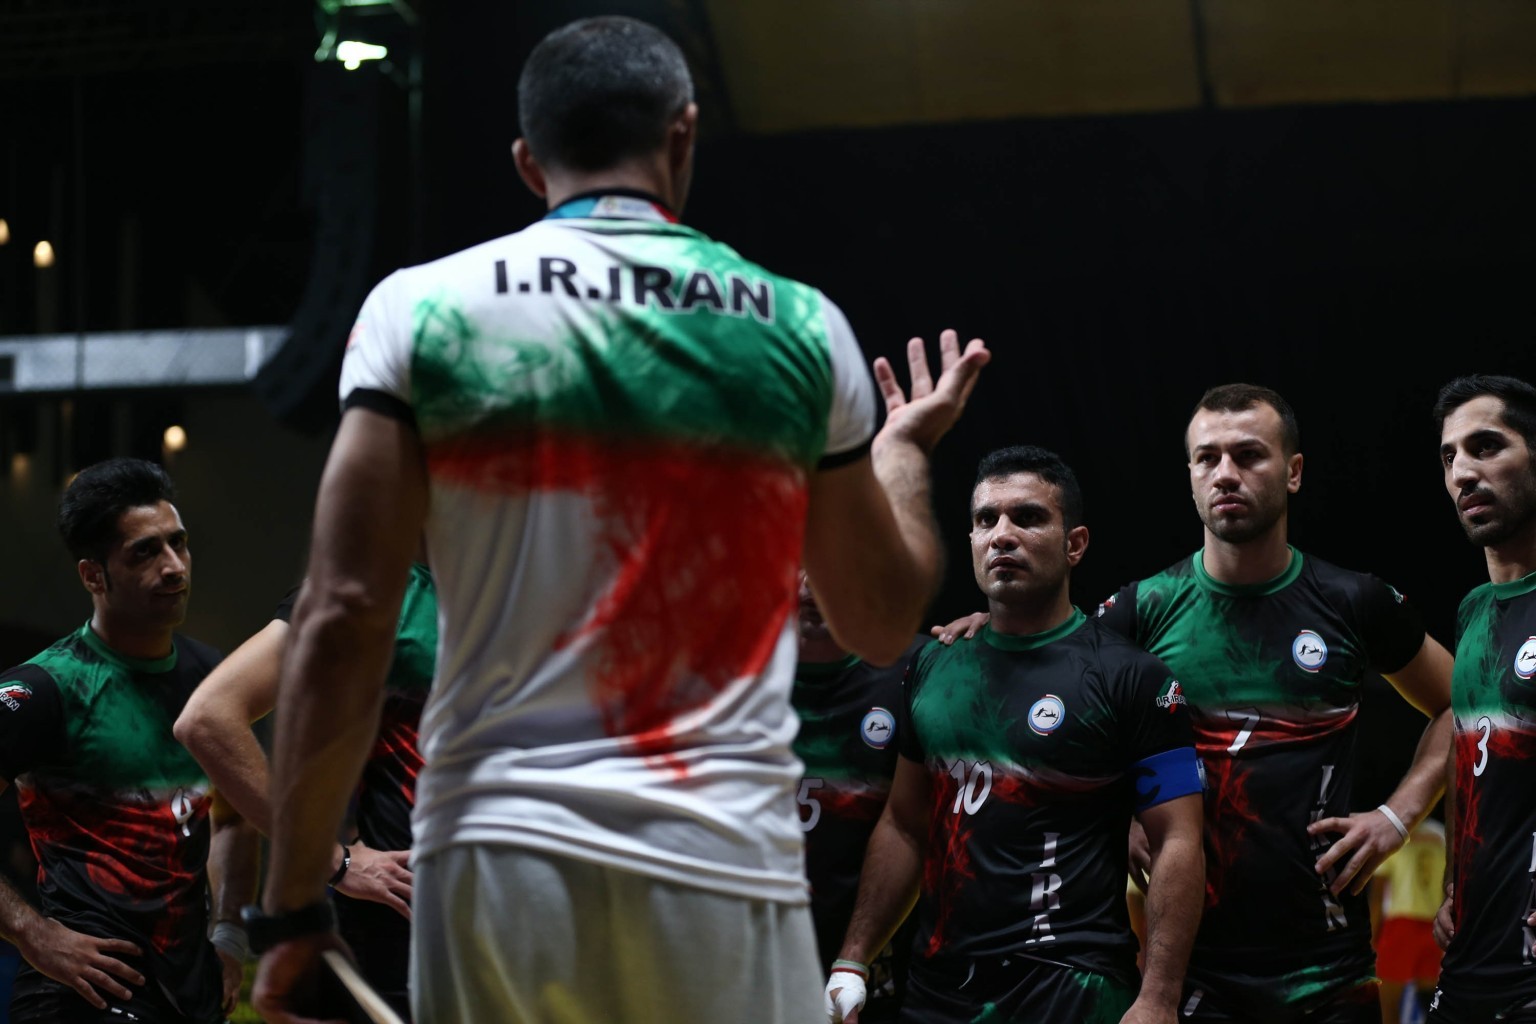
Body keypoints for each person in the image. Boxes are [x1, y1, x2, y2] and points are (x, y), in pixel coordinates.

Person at [248, 15, 990, 1024]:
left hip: (495, 858)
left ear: (528, 161)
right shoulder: (800, 326)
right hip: (721, 860)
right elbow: (880, 621)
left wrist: (295, 900)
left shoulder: (419, 309)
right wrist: (900, 453)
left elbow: (342, 613)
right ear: (683, 134)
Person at [937, 384, 1454, 1021]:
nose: (1225, 473)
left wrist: (1398, 817)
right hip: (1187, 971)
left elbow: (1460, 706)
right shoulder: (1141, 610)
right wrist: (990, 630)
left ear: (1293, 472)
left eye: (1249, 455)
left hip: (1329, 969)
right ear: (1189, 476)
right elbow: (1053, 690)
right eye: (1207, 458)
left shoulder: (1354, 602)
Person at [826, 445, 1205, 1024]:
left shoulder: (1132, 676)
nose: (1002, 535)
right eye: (987, 520)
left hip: (1072, 990)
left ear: (1074, 544)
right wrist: (853, 959)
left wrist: (1158, 998)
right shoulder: (934, 665)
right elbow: (904, 822)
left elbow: (1178, 839)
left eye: (1027, 517)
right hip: (936, 993)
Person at [0, 457, 254, 1023]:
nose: (174, 566)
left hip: (192, 995)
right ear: (93, 576)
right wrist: (32, 934)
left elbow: (235, 819)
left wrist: (230, 937)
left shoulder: (214, 681)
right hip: (82, 992)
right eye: (145, 552)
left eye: (178, 543)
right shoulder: (43, 688)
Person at [175, 562, 434, 1019]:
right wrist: (331, 860)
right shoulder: (380, 590)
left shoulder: (548, 596)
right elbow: (209, 718)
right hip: (405, 942)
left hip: (535, 931)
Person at [1427, 374, 1536, 1023]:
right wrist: (1450, 881)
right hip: (1469, 962)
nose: (1463, 472)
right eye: (1450, 457)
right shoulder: (1473, 612)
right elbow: (1469, 754)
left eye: (1487, 446)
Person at [794, 571, 926, 1021]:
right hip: (733, 962)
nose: (810, 582)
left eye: (827, 561)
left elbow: (909, 825)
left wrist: (852, 963)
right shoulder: (713, 678)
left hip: (867, 976)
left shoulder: (924, 668)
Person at [1370, 818, 1446, 1024]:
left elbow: (1377, 897)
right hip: (1434, 927)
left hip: (1400, 926)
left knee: (1387, 1009)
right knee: (1432, 1009)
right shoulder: (1441, 836)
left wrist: (1371, 940)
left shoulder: (1394, 836)